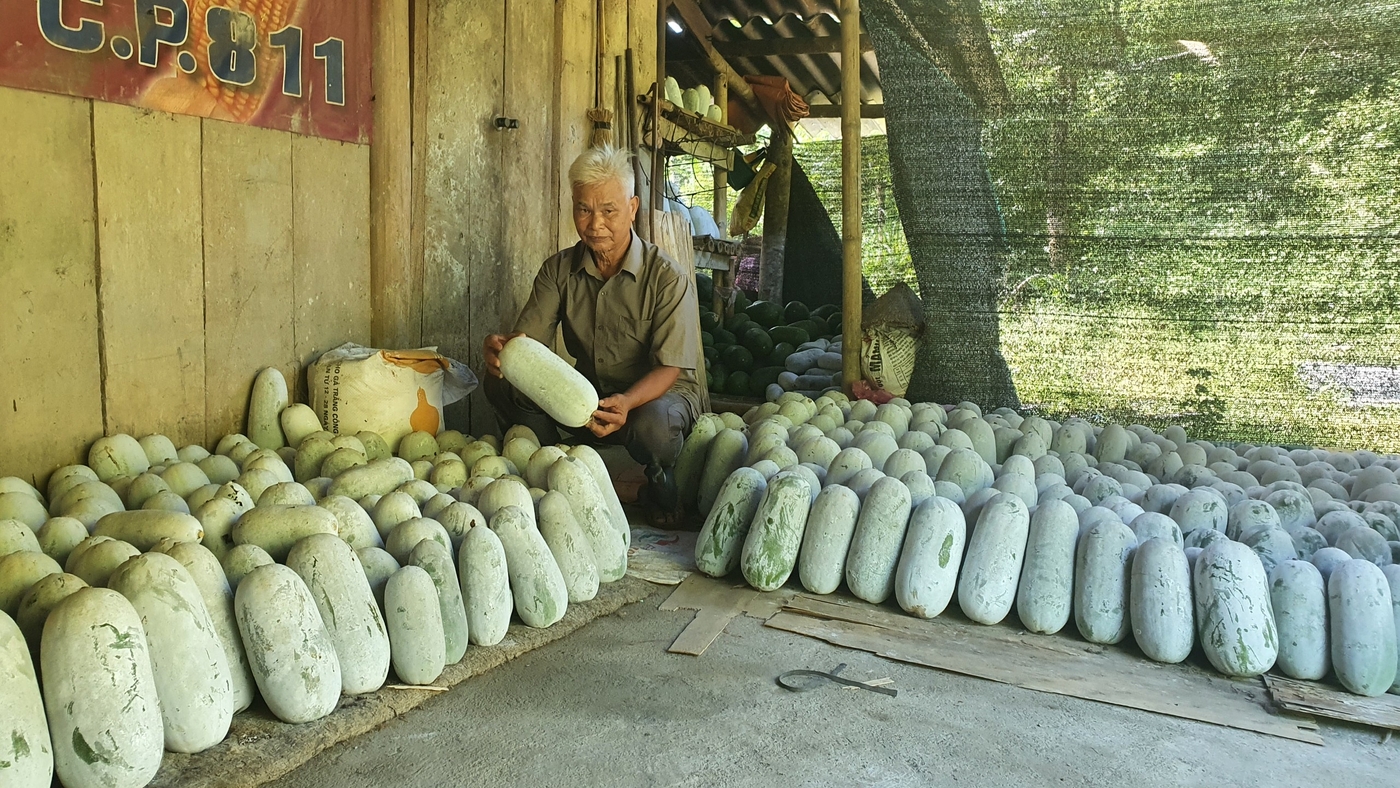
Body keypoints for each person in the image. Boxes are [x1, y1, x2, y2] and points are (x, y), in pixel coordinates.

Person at [483, 145, 701, 524]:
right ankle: (555, 468)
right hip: (592, 397)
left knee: (655, 426)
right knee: (503, 384)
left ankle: (658, 484)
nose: (595, 223)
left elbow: (670, 369)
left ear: (632, 208)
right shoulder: (558, 270)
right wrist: (504, 352)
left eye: (609, 210)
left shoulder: (666, 277)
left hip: (655, 398)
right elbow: (527, 345)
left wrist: (628, 403)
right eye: (584, 209)